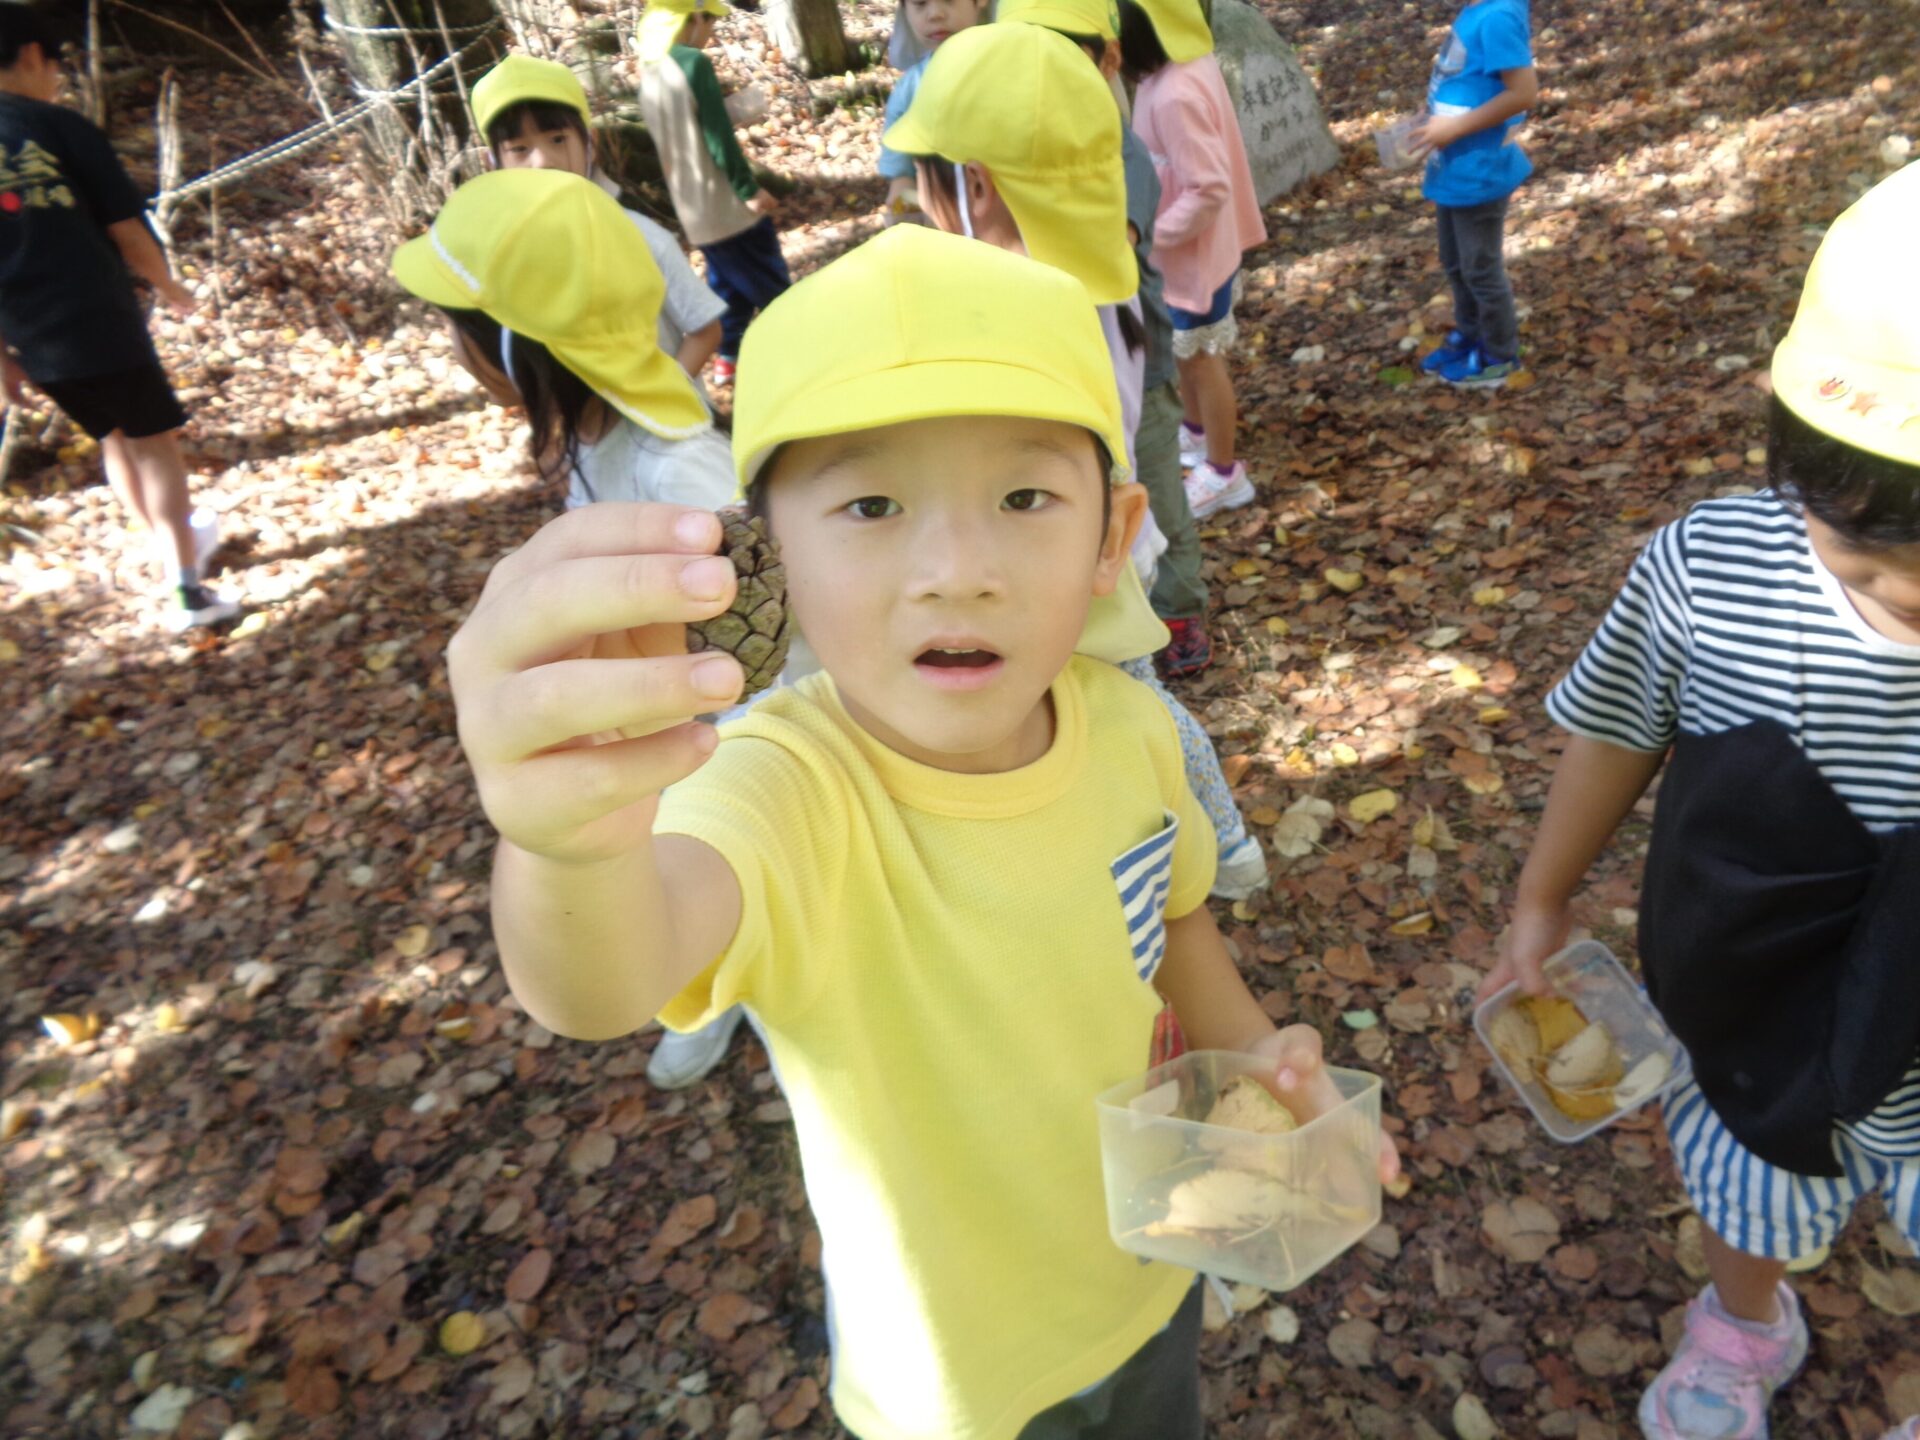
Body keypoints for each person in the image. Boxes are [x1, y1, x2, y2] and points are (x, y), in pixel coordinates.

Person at [447, 225, 1399, 1440]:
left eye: (1024, 497)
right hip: (958, 1385)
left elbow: (1170, 925)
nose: (956, 570)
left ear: (1112, 539)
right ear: (769, 558)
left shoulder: (1131, 729)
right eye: (871, 504)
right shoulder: (782, 787)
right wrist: (567, 837)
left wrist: (1261, 1061)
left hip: (1153, 1267)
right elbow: (601, 982)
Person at [1480, 166, 1920, 1440]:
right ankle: (1744, 1320)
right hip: (1754, 993)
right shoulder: (1711, 570)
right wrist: (1543, 896)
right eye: (1871, 557)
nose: (1913, 593)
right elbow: (1618, 727)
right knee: (1745, 1173)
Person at [888, 21, 1266, 899]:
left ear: (973, 184)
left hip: (1063, 561)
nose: (916, 196)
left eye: (922, 176)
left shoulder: (1011, 311)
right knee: (1125, 701)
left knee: (1125, 708)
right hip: (1102, 545)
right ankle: (1219, 843)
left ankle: (1202, 848)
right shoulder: (1095, 269)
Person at [0, 3, 234, 632]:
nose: (57, 80)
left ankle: (171, 550)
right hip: (97, 318)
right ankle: (188, 591)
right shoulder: (59, 127)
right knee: (155, 444)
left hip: (30, 336)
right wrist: (169, 286)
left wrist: (2, 360)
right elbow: (126, 229)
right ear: (32, 56)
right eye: (56, 67)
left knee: (114, 437)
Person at [998, 0, 1213, 679]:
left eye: (1064, 59)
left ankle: (1180, 606)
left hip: (1136, 362)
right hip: (1062, 368)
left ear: (1108, 59)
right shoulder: (1015, 143)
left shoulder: (1120, 151)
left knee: (1155, 490)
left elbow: (1102, 242)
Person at [392, 168, 732, 513]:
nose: (451, 343)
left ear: (521, 342)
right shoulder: (592, 434)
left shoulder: (681, 470)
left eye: (453, 324)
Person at [470, 54, 726, 390]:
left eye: (558, 139)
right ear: (492, 164)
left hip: (670, 419)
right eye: (519, 148)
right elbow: (509, 385)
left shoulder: (641, 237)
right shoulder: (510, 262)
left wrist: (662, 396)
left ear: (590, 143)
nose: (543, 160)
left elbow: (705, 329)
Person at [1116, 0, 1264, 523]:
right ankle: (1197, 432)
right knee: (1187, 349)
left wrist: (1147, 236)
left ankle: (1225, 472)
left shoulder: (1174, 93)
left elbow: (1208, 187)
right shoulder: (1182, 65)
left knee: (1203, 358)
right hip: (1188, 255)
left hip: (1191, 258)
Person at [634, 0, 789, 385]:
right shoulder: (693, 64)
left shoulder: (649, 72)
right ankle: (801, 348)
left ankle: (728, 357)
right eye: (710, 23)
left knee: (727, 286)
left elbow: (686, 127)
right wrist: (748, 189)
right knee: (771, 284)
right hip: (726, 205)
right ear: (692, 18)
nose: (711, 33)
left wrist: (732, 109)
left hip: (693, 208)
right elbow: (717, 137)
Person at [1407, 0, 1537, 389]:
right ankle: (1471, 333)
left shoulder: (1497, 16)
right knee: (1455, 262)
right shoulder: (1476, 10)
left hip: (1479, 169)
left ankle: (1499, 355)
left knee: (1480, 268)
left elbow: (1523, 93)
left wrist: (1456, 127)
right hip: (1454, 166)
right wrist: (1432, 116)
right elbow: (1466, 78)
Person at [874, 0, 990, 224]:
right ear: (905, 10)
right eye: (920, 3)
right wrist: (906, 211)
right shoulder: (910, 89)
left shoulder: (1010, 71)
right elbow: (902, 180)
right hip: (945, 224)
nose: (935, 14)